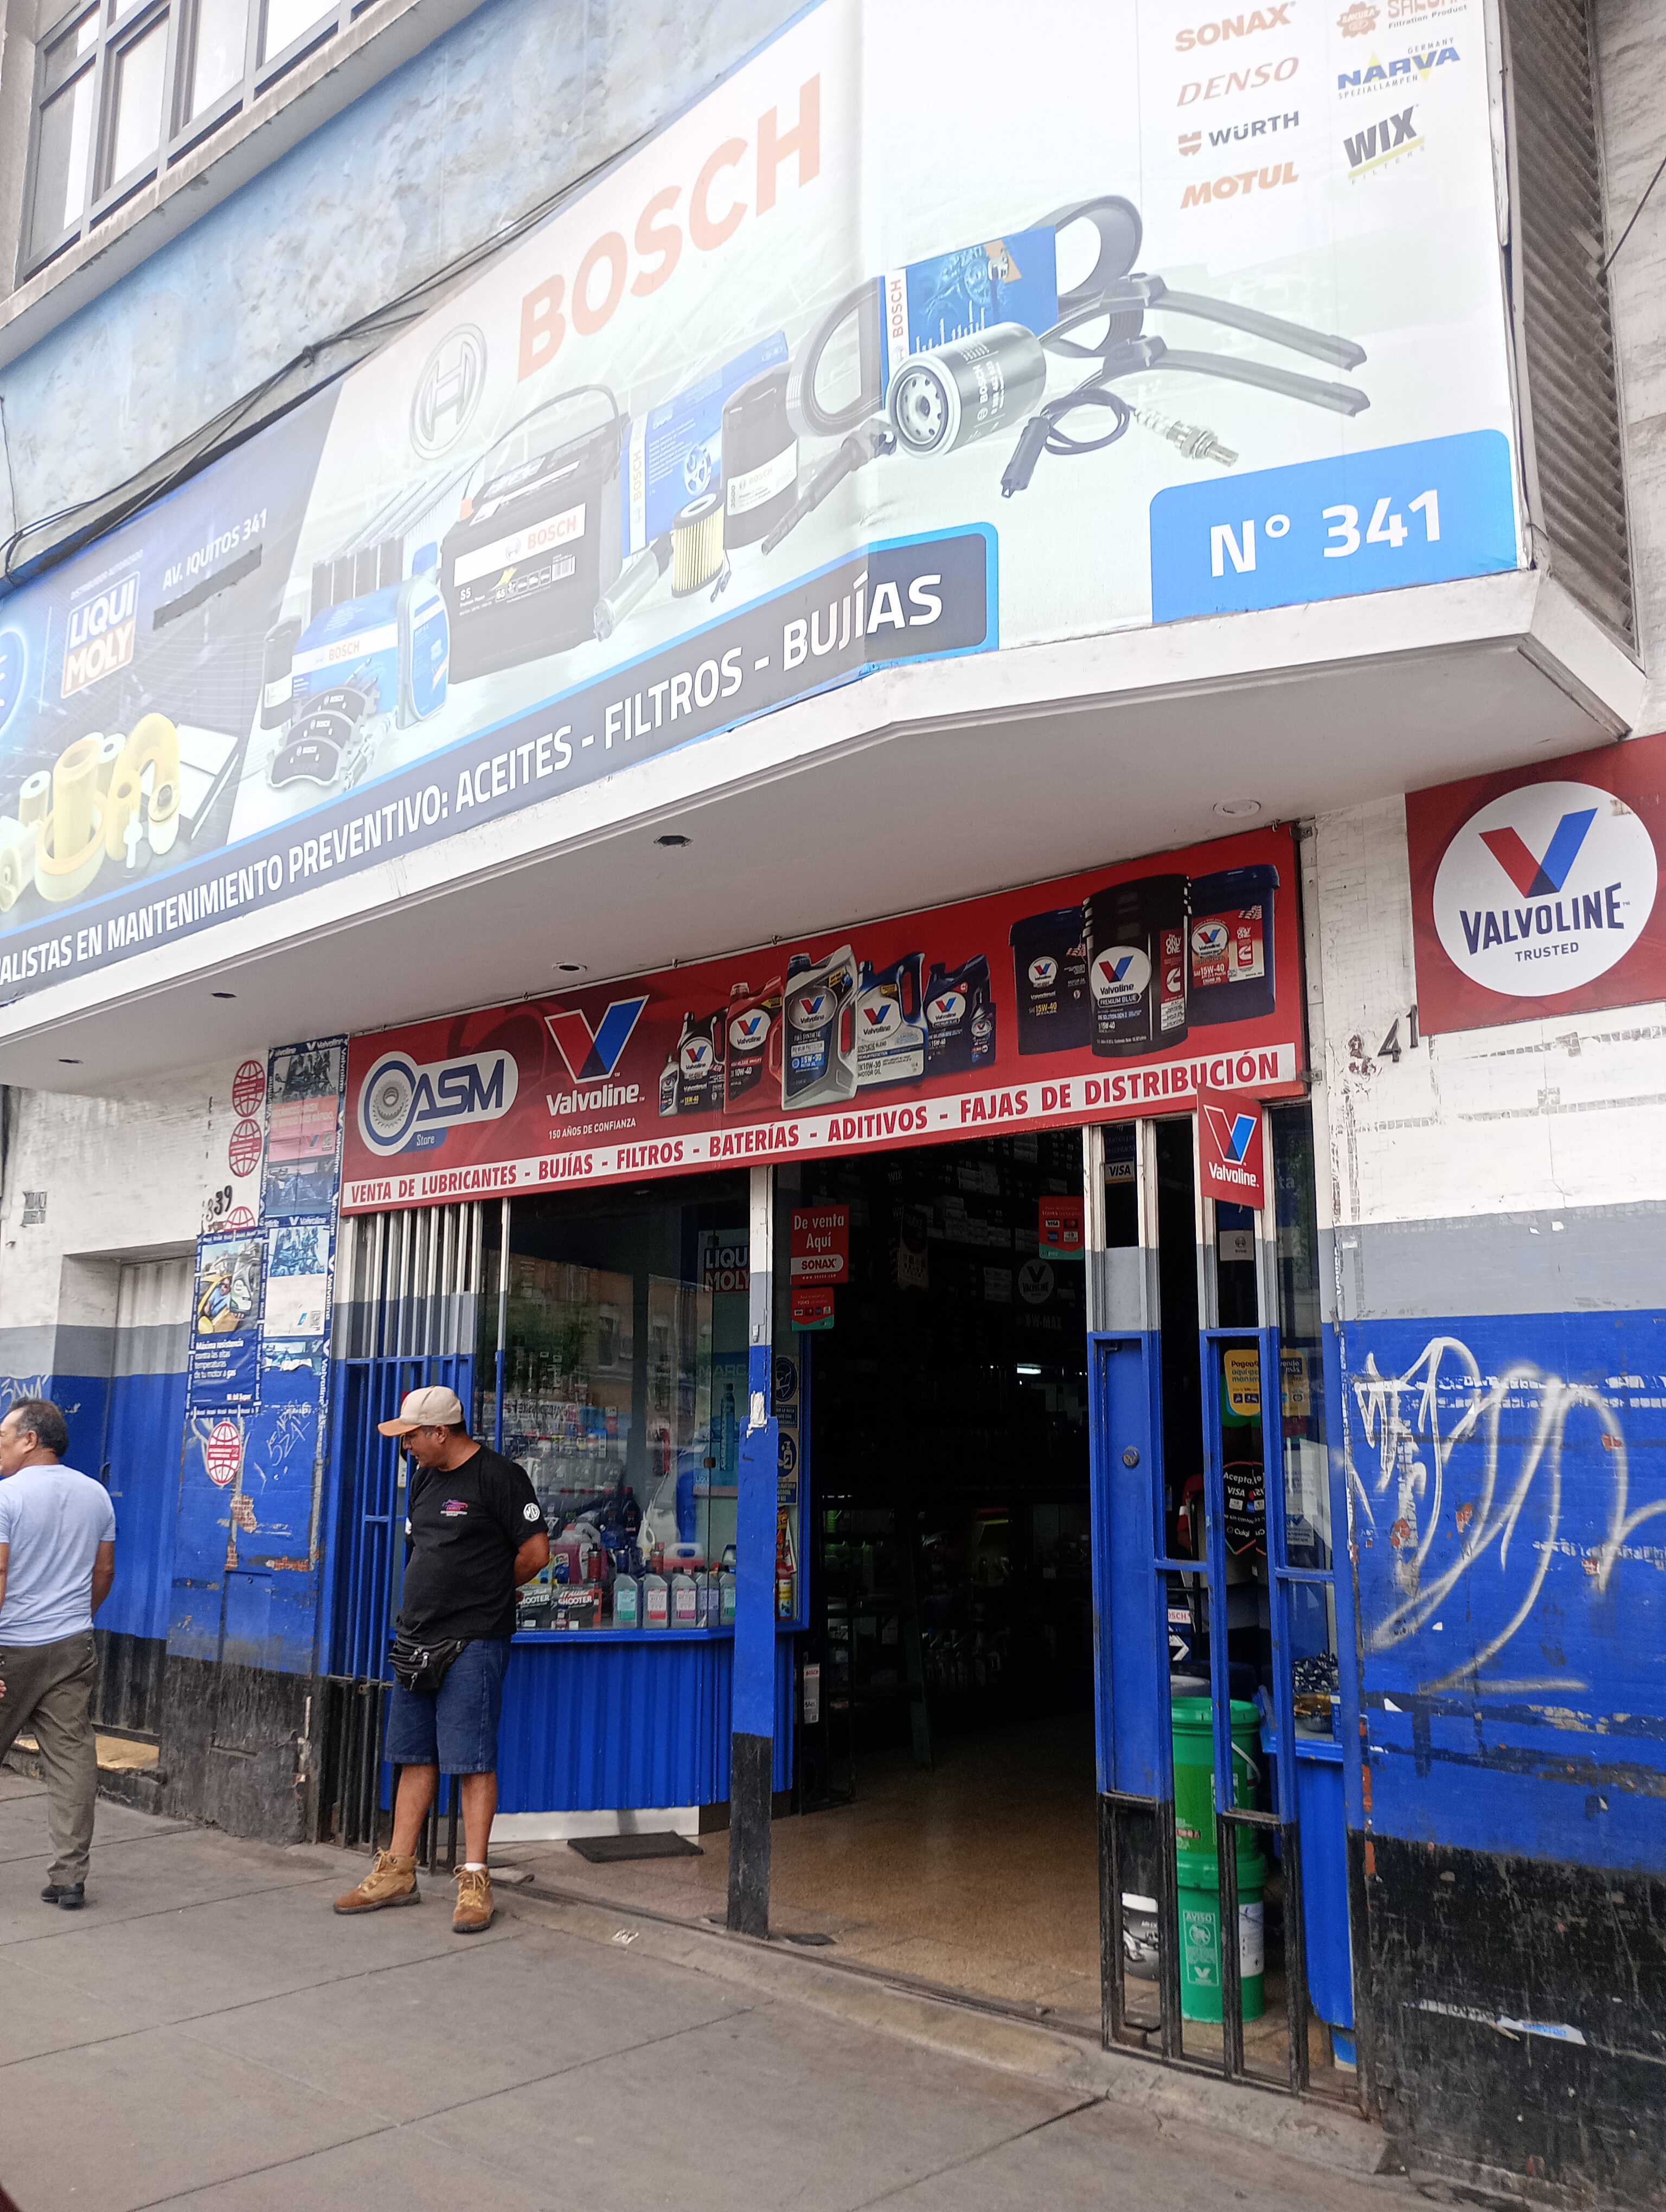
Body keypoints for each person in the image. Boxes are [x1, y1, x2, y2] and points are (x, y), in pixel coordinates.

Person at [335, 1384, 548, 1933]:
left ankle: (475, 1880)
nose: (405, 1447)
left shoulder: (499, 1477)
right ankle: (397, 1870)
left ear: (440, 1432)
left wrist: (489, 1592)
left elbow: (534, 1553)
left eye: (411, 1437)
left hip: (474, 1640)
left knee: (472, 1761)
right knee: (414, 1756)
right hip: (416, 1638)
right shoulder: (425, 1479)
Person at [0, 1397, 117, 1911]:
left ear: (30, 1440)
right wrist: (75, 1619)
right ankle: (70, 1877)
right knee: (71, 1758)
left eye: (4, 1436)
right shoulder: (96, 1494)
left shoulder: (6, 1497)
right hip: (72, 1644)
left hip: (10, 1646)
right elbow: (104, 1572)